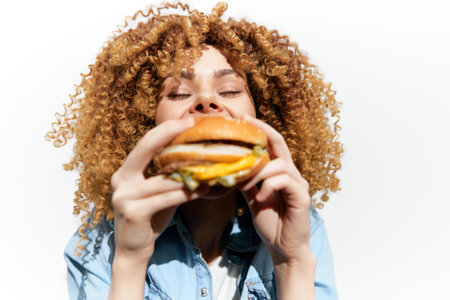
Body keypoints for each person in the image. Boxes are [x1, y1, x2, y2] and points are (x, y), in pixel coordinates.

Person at [47, 2, 342, 299]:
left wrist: (291, 260)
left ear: (263, 114)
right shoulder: (100, 244)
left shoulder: (299, 224)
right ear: (145, 122)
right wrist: (129, 260)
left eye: (229, 90)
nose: (206, 100)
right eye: (179, 93)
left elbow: (296, 257)